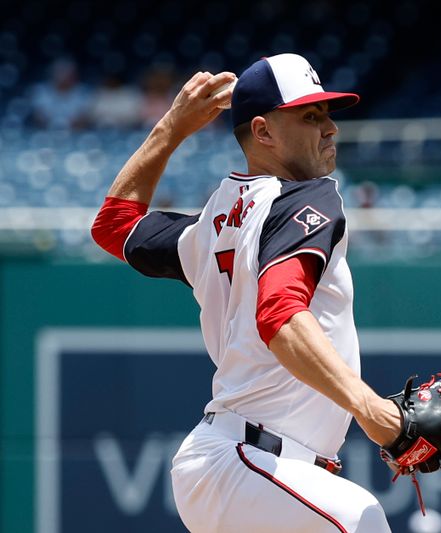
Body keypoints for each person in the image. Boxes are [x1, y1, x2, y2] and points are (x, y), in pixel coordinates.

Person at [91, 54, 402, 532]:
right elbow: (278, 313)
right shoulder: (307, 197)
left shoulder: (212, 223)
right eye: (310, 116)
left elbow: (114, 225)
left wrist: (172, 127)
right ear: (262, 132)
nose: (330, 129)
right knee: (363, 520)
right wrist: (369, 407)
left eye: (327, 115)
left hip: (238, 466)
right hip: (251, 461)